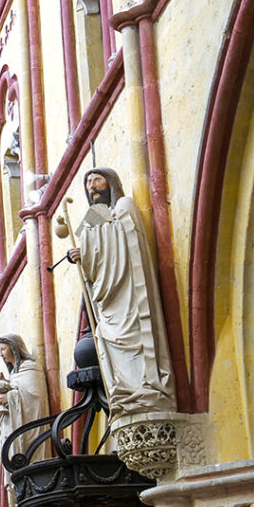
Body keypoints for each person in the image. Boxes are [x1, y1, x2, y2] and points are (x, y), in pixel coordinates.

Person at [68, 167, 176, 417]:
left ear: (111, 183)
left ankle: (148, 391)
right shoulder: (94, 214)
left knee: (136, 339)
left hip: (127, 290)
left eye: (97, 180)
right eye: (88, 183)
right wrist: (79, 256)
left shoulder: (124, 205)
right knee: (107, 338)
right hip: (106, 300)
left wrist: (87, 252)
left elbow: (125, 244)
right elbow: (86, 249)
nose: (92, 187)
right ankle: (125, 394)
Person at [0, 334, 48, 461]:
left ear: (14, 347)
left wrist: (9, 397)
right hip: (15, 429)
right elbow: (18, 387)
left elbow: (35, 396)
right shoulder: (14, 373)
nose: (1, 354)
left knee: (32, 456)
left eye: (3, 349)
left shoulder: (30, 367)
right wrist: (6, 384)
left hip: (32, 428)